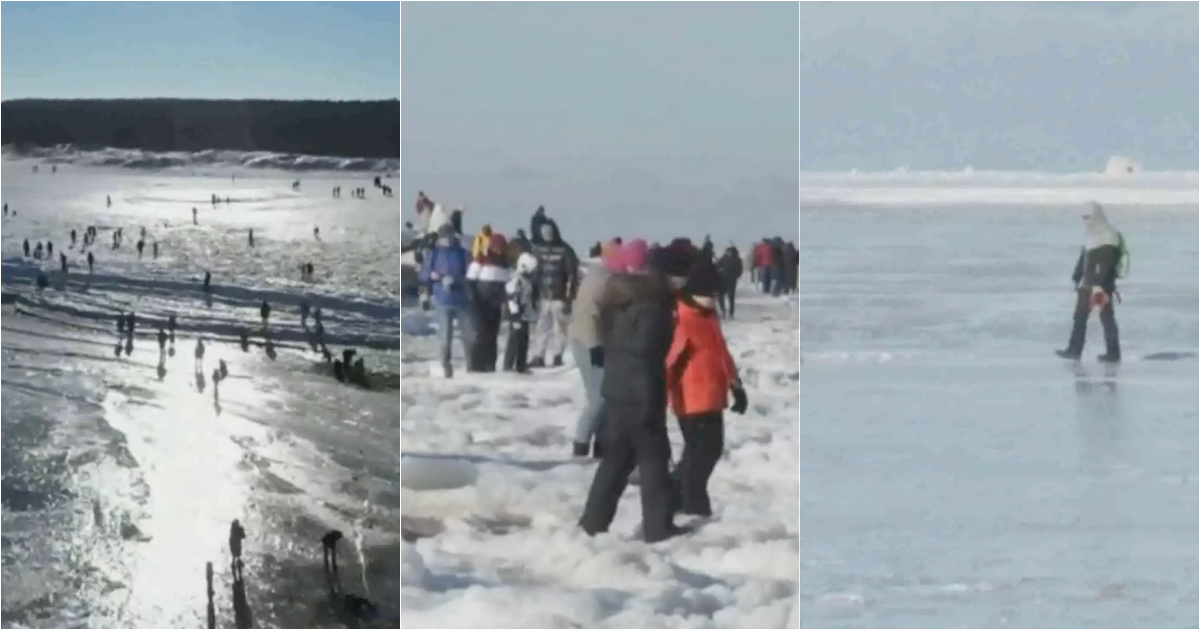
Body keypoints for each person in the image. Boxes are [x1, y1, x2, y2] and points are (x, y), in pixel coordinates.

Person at [579, 245, 691, 543]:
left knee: (617, 459)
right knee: (655, 459)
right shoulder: (655, 306)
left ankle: (592, 523)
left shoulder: (623, 297)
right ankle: (658, 528)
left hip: (617, 388)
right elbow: (645, 353)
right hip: (640, 392)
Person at [664, 257, 749, 518]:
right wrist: (659, 402)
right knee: (700, 456)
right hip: (691, 399)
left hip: (713, 396)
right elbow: (667, 365)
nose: (715, 299)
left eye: (716, 293)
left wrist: (736, 385)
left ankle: (676, 495)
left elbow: (721, 352)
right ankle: (691, 505)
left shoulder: (708, 316)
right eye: (710, 293)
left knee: (709, 451)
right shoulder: (682, 319)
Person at [566, 239, 645, 458]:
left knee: (607, 397)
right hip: (587, 342)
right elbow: (587, 316)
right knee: (598, 397)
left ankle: (601, 445)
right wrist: (594, 347)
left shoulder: (609, 278)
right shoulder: (601, 281)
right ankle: (580, 445)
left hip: (598, 341)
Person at [1057, 201, 1126, 363]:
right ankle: (1074, 350)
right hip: (1087, 284)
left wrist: (1098, 285)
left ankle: (1113, 353)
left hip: (1101, 286)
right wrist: (1077, 275)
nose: (1087, 221)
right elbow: (1085, 258)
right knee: (1079, 317)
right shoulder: (1091, 235)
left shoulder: (1109, 236)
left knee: (1107, 318)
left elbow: (1107, 263)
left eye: (1089, 217)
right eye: (1084, 217)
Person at [419, 223, 473, 378]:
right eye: (444, 237)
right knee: (445, 337)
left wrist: (455, 280)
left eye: (449, 236)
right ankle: (445, 367)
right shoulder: (434, 254)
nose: (447, 240)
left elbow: (470, 275)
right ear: (440, 238)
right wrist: (432, 277)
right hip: (443, 300)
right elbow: (424, 275)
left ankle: (471, 367)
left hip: (462, 300)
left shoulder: (463, 253)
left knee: (469, 336)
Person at [529, 222, 579, 368]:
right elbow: (534, 273)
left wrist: (569, 297)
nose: (547, 235)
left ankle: (557, 355)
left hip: (560, 297)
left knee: (560, 328)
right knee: (541, 328)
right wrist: (533, 294)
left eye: (549, 231)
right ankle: (538, 355)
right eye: (544, 232)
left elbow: (572, 275)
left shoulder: (565, 250)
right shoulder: (537, 250)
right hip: (542, 296)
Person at [465, 233, 511, 372]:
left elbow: (508, 285)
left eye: (501, 248)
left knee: (493, 335)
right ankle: (476, 365)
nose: (499, 251)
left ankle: (490, 364)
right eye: (496, 248)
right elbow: (469, 281)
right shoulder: (480, 260)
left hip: (495, 305)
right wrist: (472, 298)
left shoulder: (504, 265)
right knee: (481, 334)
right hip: (480, 302)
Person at [503, 253, 540, 374]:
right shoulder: (516, 280)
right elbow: (512, 298)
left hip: (525, 315)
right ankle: (508, 366)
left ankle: (521, 365)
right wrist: (515, 315)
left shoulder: (526, 280)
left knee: (524, 341)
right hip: (517, 315)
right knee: (514, 340)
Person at [716, 245, 744, 319]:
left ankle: (725, 311)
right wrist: (737, 276)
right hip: (730, 280)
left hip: (724, 280)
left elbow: (716, 266)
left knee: (723, 296)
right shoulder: (737, 259)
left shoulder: (724, 258)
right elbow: (740, 270)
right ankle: (729, 312)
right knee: (729, 297)